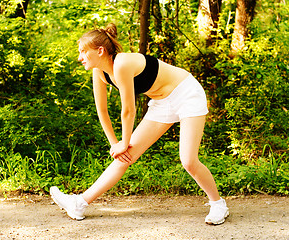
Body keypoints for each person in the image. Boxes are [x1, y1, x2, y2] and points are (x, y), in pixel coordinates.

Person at [50, 23, 229, 225]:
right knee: (124, 158)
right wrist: (115, 145)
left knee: (188, 160)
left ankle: (218, 204)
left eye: (83, 51)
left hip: (186, 94)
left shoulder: (122, 64)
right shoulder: (99, 72)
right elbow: (102, 110)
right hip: (162, 103)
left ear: (100, 51)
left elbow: (128, 110)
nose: (79, 57)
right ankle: (79, 204)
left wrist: (124, 142)